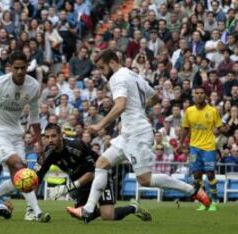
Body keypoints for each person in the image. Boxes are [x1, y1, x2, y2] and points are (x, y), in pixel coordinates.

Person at [67, 50, 210, 223]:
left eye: (102, 67)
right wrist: (140, 109)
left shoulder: (117, 77)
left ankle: (191, 190)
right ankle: (88, 210)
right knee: (101, 164)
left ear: (112, 62)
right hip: (128, 133)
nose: (101, 72)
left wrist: (100, 124)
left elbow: (120, 105)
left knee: (145, 179)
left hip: (137, 133)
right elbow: (156, 97)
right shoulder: (133, 75)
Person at [0, 51, 50, 222]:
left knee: (17, 178)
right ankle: (36, 211)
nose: (19, 71)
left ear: (27, 67)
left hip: (16, 133)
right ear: (10, 67)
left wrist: (40, 143)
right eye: (16, 68)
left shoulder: (33, 86)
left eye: (23, 68)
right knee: (21, 167)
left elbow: (34, 117)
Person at [37, 123, 151, 222]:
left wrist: (67, 188)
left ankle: (133, 208)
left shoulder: (76, 146)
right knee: (80, 215)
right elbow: (37, 178)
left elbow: (92, 174)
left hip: (99, 177)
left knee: (108, 216)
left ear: (60, 136)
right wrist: (33, 207)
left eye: (53, 136)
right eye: (47, 137)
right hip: (80, 184)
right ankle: (89, 212)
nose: (50, 140)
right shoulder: (47, 154)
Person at [181, 86, 222, 212]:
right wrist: (181, 143)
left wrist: (219, 130)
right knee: (197, 176)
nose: (199, 95)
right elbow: (186, 128)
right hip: (194, 148)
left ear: (205, 95)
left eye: (201, 93)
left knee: (210, 174)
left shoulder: (213, 111)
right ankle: (205, 202)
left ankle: (214, 201)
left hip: (209, 147)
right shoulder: (189, 111)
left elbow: (219, 127)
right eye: (197, 93)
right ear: (194, 95)